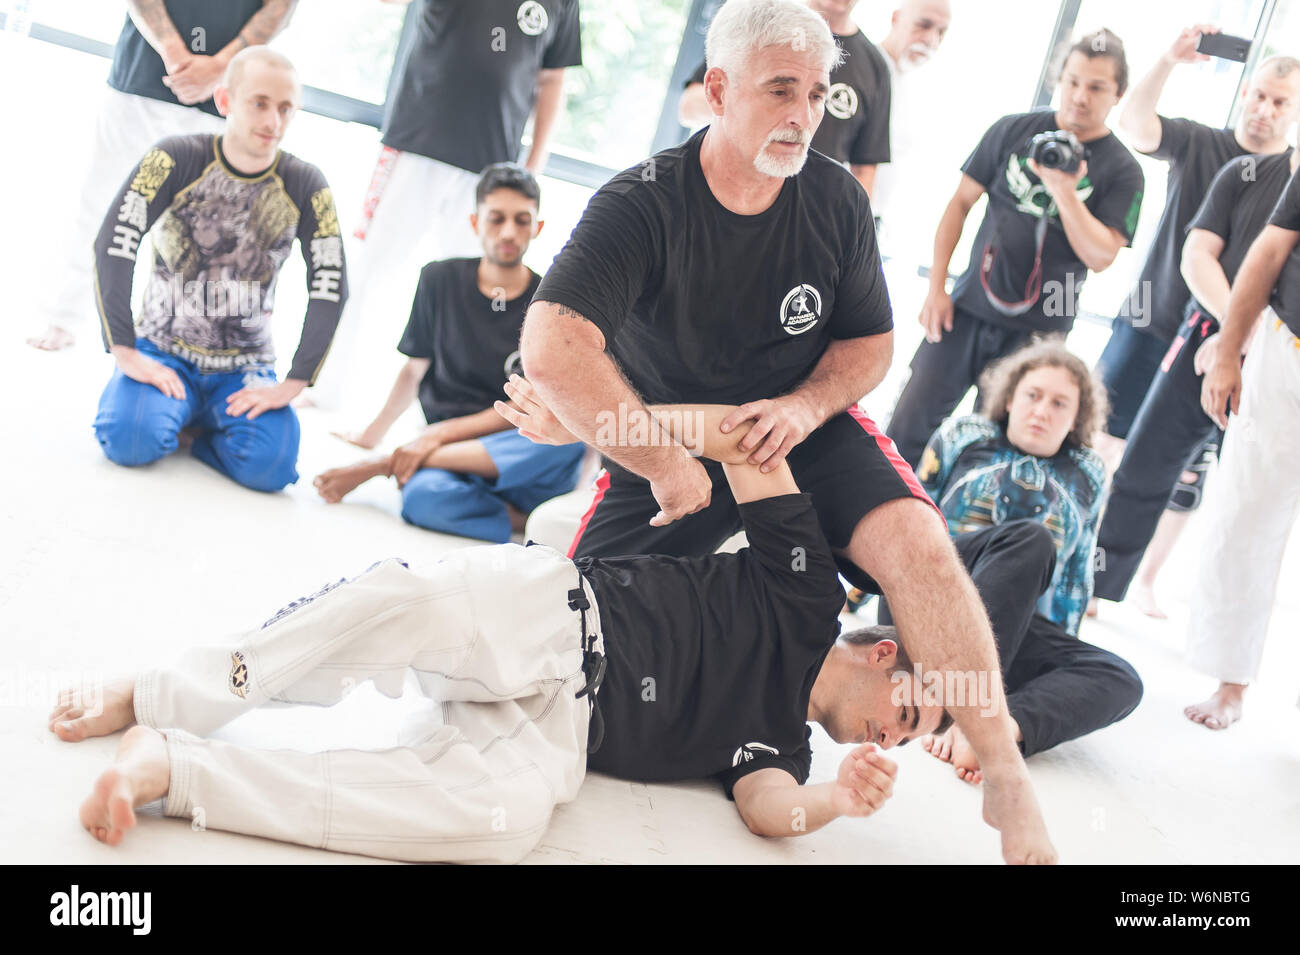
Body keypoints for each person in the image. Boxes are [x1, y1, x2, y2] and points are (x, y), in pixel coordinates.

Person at [521, 0, 1057, 864]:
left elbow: (871, 345)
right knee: (584, 617)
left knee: (919, 541)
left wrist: (807, 408)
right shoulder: (641, 203)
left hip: (801, 423)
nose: (804, 114)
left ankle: (1004, 770)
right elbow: (550, 345)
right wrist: (658, 459)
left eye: (817, 91)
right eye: (780, 90)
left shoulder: (836, 200)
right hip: (677, 439)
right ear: (719, 90)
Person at [51, 403, 947, 862]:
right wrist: (596, 419)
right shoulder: (810, 598)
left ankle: (173, 767)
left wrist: (835, 802)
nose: (895, 739)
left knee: (497, 823)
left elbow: (767, 810)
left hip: (559, 737)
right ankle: (161, 692)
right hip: (562, 613)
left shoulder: (784, 744)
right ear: (882, 651)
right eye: (909, 714)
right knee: (396, 604)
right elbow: (752, 443)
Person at [1090, 38, 1300, 613]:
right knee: (1133, 456)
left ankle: (1190, 601)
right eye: (1258, 94)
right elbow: (1196, 256)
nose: (1265, 108)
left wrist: (1256, 342)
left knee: (1235, 489)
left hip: (1278, 355)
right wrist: (1234, 336)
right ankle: (1098, 582)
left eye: (1281, 101)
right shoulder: (1222, 157)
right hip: (1188, 331)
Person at [885, 28, 1144, 471]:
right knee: (908, 429)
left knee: (993, 453)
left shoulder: (1124, 170)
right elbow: (959, 204)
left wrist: (1063, 190)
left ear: (1117, 94)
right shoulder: (1012, 128)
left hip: (1038, 336)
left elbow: (1101, 257)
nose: (1080, 96)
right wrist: (936, 289)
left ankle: (958, 535)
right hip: (964, 309)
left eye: (1096, 87)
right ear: (1058, 78)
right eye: (1073, 80)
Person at [91, 47, 347, 493]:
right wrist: (124, 348)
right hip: (163, 347)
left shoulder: (308, 183)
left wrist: (296, 380)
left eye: (286, 108)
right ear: (225, 100)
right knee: (129, 442)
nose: (274, 122)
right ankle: (175, 414)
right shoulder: (173, 156)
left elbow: (330, 282)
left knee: (272, 469)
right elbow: (115, 241)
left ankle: (202, 431)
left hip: (244, 365)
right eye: (260, 103)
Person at [311, 0, 582, 410]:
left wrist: (533, 167)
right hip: (418, 140)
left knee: (468, 299)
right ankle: (327, 388)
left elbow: (552, 80)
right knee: (372, 270)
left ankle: (439, 412)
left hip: (492, 164)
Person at [894, 342, 1141, 781]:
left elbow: (1076, 571)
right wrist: (855, 593)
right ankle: (970, 714)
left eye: (1059, 403)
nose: (1042, 411)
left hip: (1008, 628)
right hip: (932, 606)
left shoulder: (1088, 470)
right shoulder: (965, 434)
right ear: (1010, 399)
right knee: (1032, 539)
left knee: (1120, 678)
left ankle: (1002, 729)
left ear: (1075, 419)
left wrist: (1059, 657)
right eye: (1032, 395)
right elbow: (908, 513)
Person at [313, 164, 585, 542]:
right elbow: (414, 370)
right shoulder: (438, 279)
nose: (509, 232)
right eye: (497, 219)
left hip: (515, 446)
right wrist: (373, 432)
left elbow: (533, 409)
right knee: (423, 499)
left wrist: (410, 448)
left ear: (537, 228)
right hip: (451, 452)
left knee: (572, 436)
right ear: (475, 223)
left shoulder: (549, 304)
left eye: (522, 221)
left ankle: (387, 464)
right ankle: (522, 521)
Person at [27, 0, 297, 351]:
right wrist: (173, 52)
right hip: (142, 75)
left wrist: (219, 69)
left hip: (222, 96)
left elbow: (281, 7)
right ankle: (63, 318)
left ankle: (181, 338)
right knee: (101, 204)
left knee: (206, 231)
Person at [1184, 163, 1300, 731]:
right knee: (1247, 515)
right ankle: (1230, 684)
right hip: (1286, 351)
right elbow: (1268, 253)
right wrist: (1229, 352)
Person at [677, 0, 892, 199]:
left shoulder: (875, 67)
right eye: (780, 91)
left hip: (809, 213)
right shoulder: (757, 27)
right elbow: (688, 107)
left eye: (817, 96)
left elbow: (865, 168)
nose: (801, 117)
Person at [869, 0, 952, 254]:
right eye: (923, 25)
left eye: (941, 31)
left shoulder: (907, 83)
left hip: (871, 225)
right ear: (896, 18)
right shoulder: (864, 71)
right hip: (842, 220)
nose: (931, 39)